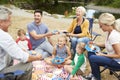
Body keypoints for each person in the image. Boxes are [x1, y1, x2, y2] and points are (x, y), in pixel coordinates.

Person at [0, 7, 42, 80]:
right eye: (9, 21)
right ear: (1, 22)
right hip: (1, 73)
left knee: (10, 54)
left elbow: (15, 48)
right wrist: (37, 58)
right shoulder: (3, 36)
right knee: (28, 66)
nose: (11, 23)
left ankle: (9, 73)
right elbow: (25, 58)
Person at [87, 13, 120, 80]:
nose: (100, 28)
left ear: (107, 24)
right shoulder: (109, 32)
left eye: (101, 26)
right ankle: (94, 74)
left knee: (93, 58)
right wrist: (94, 43)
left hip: (117, 63)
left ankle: (96, 78)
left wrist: (102, 55)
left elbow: (118, 55)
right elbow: (108, 44)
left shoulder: (114, 36)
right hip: (112, 57)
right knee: (90, 51)